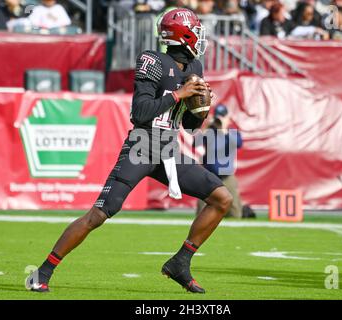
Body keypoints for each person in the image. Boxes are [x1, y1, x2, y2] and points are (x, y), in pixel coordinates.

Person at [25, 7, 233, 294]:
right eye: (195, 30)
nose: (199, 36)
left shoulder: (195, 68)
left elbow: (189, 126)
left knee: (222, 198)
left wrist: (201, 107)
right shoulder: (153, 60)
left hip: (168, 149)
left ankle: (180, 262)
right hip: (142, 145)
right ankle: (43, 271)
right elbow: (140, 112)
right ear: (182, 35)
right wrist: (178, 94)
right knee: (99, 214)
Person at [195, 104, 245, 218]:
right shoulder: (209, 133)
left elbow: (238, 143)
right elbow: (196, 143)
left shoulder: (232, 133)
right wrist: (205, 127)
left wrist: (224, 129)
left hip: (227, 176)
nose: (220, 119)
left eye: (222, 117)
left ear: (228, 118)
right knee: (201, 211)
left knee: (235, 213)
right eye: (218, 117)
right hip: (209, 175)